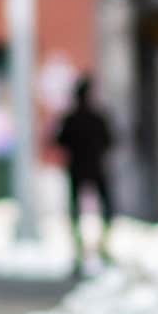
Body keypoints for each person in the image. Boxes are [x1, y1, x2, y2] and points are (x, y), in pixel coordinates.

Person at [53, 76, 117, 273]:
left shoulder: (71, 119)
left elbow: (59, 141)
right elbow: (110, 141)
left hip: (78, 169)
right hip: (94, 168)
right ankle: (100, 248)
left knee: (77, 212)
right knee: (105, 209)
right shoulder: (97, 118)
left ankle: (82, 251)